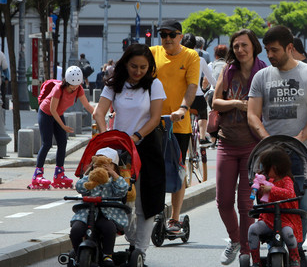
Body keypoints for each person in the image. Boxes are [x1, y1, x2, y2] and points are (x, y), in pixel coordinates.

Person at [248, 25, 307, 244]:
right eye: (267, 50)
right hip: (271, 154)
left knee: (304, 205)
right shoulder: (261, 77)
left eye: (275, 50)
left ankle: (296, 246)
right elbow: (253, 114)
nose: (270, 55)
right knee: (268, 202)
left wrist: (300, 139)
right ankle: (274, 247)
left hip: (303, 151)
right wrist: (267, 140)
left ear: (289, 47)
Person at [92, 43, 166, 260]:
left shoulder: (154, 85)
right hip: (118, 150)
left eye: (143, 67)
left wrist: (136, 137)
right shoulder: (115, 85)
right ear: (126, 64)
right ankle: (126, 240)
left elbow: (155, 118)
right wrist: (107, 137)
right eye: (134, 66)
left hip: (146, 147)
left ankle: (139, 250)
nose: (138, 71)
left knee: (145, 200)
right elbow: (99, 113)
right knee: (120, 197)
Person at [213, 29, 267, 265]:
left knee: (245, 204)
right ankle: (235, 239)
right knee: (223, 201)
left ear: (254, 46)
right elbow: (215, 101)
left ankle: (246, 250)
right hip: (226, 142)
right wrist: (237, 103)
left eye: (244, 45)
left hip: (252, 146)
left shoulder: (265, 72)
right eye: (236, 46)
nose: (240, 50)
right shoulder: (228, 71)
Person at [148, 20, 200, 236]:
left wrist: (183, 108)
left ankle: (175, 218)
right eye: (163, 34)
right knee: (153, 170)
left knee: (177, 171)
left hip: (178, 124)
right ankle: (153, 212)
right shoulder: (152, 53)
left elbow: (191, 86)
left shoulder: (191, 56)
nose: (167, 39)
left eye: (172, 34)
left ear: (180, 36)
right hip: (153, 122)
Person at [31, 66, 95, 189]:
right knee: (47, 143)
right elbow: (52, 110)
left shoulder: (79, 89)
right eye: (72, 85)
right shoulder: (58, 89)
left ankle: (59, 174)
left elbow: (87, 105)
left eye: (77, 85)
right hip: (46, 113)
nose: (74, 88)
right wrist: (64, 126)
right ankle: (37, 175)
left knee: (63, 142)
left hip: (58, 114)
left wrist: (99, 114)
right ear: (67, 81)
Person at [69, 147, 129, 267]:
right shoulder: (89, 177)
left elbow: (123, 190)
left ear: (114, 167)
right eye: (99, 164)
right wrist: (90, 177)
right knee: (76, 230)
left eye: (108, 165)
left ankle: (107, 254)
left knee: (109, 229)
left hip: (108, 213)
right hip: (87, 213)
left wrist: (113, 175)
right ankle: (77, 253)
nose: (103, 167)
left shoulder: (114, 180)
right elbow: (80, 187)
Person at [247, 147, 302, 267]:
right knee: (253, 230)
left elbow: (290, 193)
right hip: (268, 219)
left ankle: (294, 258)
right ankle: (256, 261)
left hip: (285, 219)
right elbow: (264, 198)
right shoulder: (269, 180)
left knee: (288, 234)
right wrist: (260, 190)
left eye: (267, 168)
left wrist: (272, 189)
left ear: (276, 168)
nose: (265, 171)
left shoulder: (287, 180)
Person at [182, 33, 216, 146]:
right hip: (197, 97)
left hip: (181, 98)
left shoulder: (178, 59)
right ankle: (202, 137)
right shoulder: (200, 59)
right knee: (202, 112)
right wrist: (216, 87)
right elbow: (210, 78)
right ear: (195, 45)